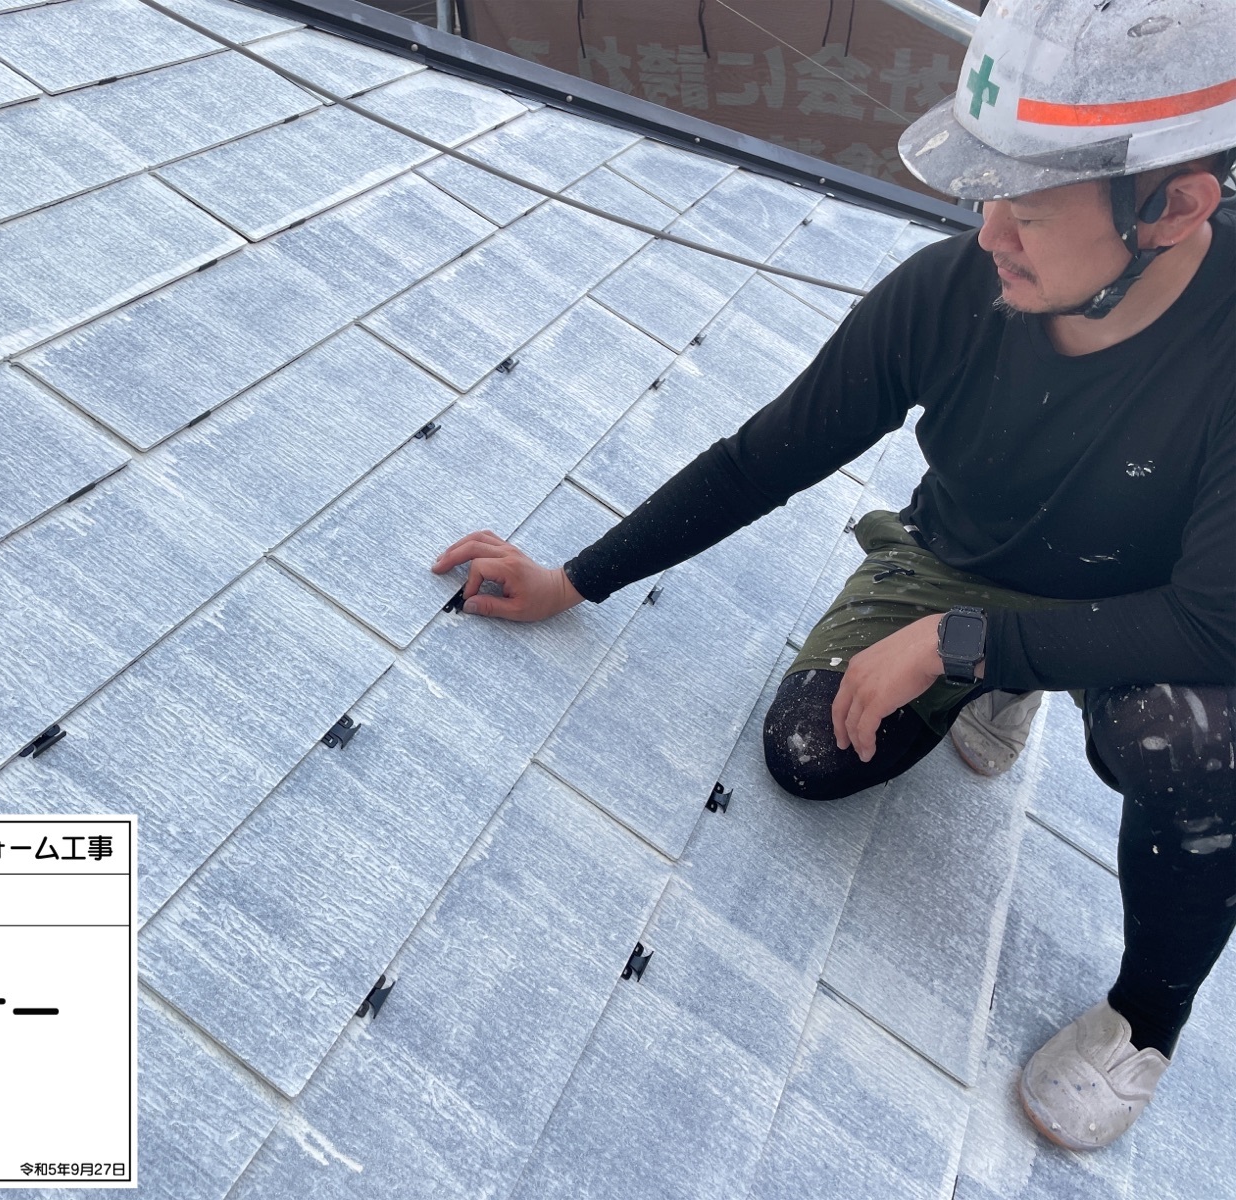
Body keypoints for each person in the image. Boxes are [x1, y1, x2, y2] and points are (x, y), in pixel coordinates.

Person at [431, 0, 1235, 1152]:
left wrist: (958, 645)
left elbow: (1214, 624)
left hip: (1152, 610)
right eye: (987, 193)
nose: (988, 233)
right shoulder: (948, 292)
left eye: (1029, 209)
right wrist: (575, 580)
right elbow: (768, 455)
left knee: (1188, 742)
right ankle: (1005, 678)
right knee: (810, 752)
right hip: (966, 562)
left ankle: (1144, 1021)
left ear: (1172, 208)